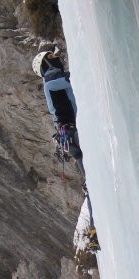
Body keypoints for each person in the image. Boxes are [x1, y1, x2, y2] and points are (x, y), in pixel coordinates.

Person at [32, 50, 100, 252]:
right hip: (74, 134)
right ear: (45, 65)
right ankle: (95, 230)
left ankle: (95, 230)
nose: (56, 58)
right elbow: (74, 80)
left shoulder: (53, 82)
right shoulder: (51, 81)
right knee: (93, 181)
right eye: (51, 57)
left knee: (92, 181)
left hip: (73, 136)